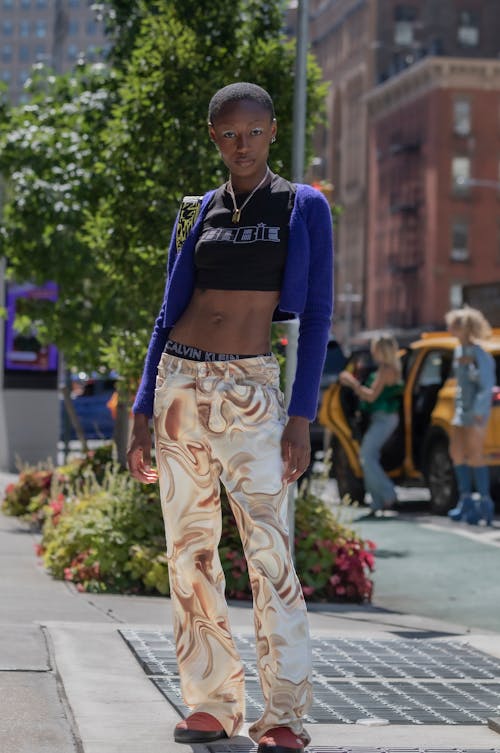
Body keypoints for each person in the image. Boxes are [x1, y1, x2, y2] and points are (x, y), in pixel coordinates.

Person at [127, 82, 333, 753]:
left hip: (251, 388)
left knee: (270, 552)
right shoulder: (196, 212)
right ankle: (212, 702)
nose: (240, 145)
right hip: (179, 384)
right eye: (226, 134)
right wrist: (139, 408)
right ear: (213, 136)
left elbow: (320, 314)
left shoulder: (303, 206)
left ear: (272, 130)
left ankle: (283, 715)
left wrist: (301, 413)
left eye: (252, 131)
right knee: (190, 553)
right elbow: (167, 312)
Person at [339, 333, 403, 516]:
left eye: (375, 348)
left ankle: (388, 494)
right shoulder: (387, 368)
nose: (373, 352)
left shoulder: (386, 370)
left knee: (367, 456)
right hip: (381, 418)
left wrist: (352, 383)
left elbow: (371, 396)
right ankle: (377, 501)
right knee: (367, 457)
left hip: (385, 418)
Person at [445, 306, 496, 526]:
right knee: (456, 452)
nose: (449, 328)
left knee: (475, 455)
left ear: (463, 328)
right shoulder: (458, 351)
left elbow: (486, 385)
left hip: (476, 412)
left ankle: (485, 503)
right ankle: (465, 500)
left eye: (453, 325)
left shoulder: (479, 354)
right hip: (460, 411)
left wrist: (477, 412)